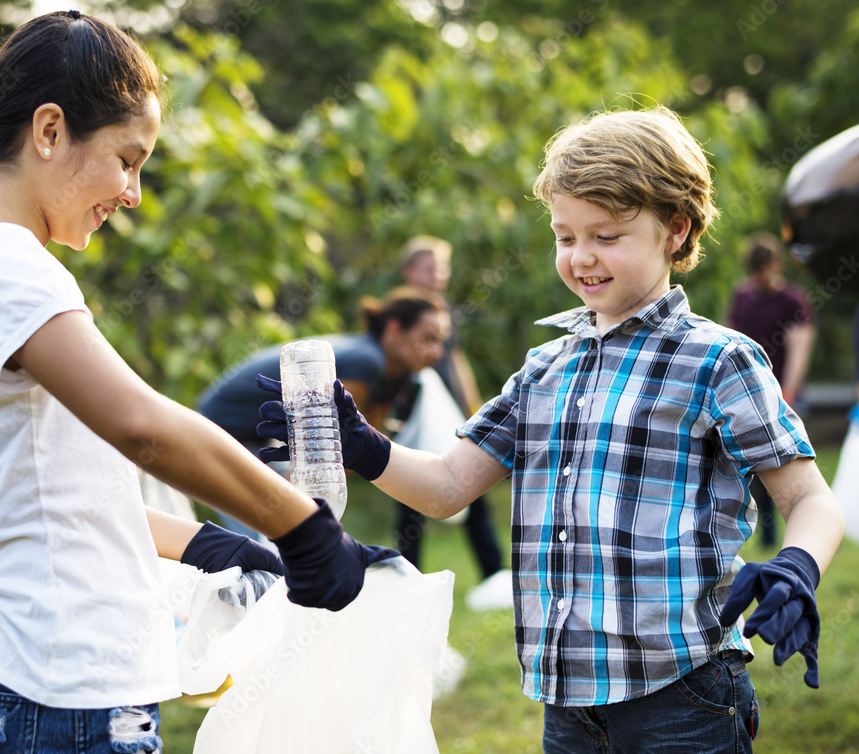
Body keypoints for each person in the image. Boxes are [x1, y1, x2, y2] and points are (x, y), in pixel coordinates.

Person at [0, 11, 390, 752]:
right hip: (53, 704)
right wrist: (299, 528)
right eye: (127, 158)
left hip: (43, 694)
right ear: (50, 132)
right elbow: (142, 425)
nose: (134, 191)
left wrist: (220, 545)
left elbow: (64, 501)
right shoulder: (0, 264)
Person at [257, 107, 845, 753]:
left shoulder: (718, 360)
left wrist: (796, 566)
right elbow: (450, 486)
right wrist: (359, 442)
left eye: (607, 235)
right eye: (566, 237)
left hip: (684, 693)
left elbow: (809, 498)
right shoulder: (545, 368)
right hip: (566, 704)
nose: (582, 257)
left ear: (675, 231)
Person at [198, 286, 450, 539]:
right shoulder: (367, 363)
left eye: (441, 341)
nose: (437, 353)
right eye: (429, 338)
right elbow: (322, 451)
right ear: (394, 330)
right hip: (218, 431)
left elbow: (353, 453)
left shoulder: (394, 374)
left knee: (288, 533)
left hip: (252, 437)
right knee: (270, 540)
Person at [394, 236, 510, 610]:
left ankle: (494, 574)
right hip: (415, 417)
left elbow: (456, 360)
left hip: (448, 417)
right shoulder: (400, 312)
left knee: (471, 487)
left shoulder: (442, 309)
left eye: (442, 268)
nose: (437, 275)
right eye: (429, 268)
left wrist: (473, 407)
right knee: (410, 494)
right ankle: (406, 582)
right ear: (409, 271)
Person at [727, 232, 817, 548]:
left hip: (782, 394)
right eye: (755, 271)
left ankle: (798, 536)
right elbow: (729, 339)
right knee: (755, 471)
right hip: (747, 395)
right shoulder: (742, 298)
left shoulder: (791, 301)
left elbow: (800, 347)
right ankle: (766, 537)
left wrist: (789, 391)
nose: (760, 277)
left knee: (788, 472)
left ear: (776, 265)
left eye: (764, 269)